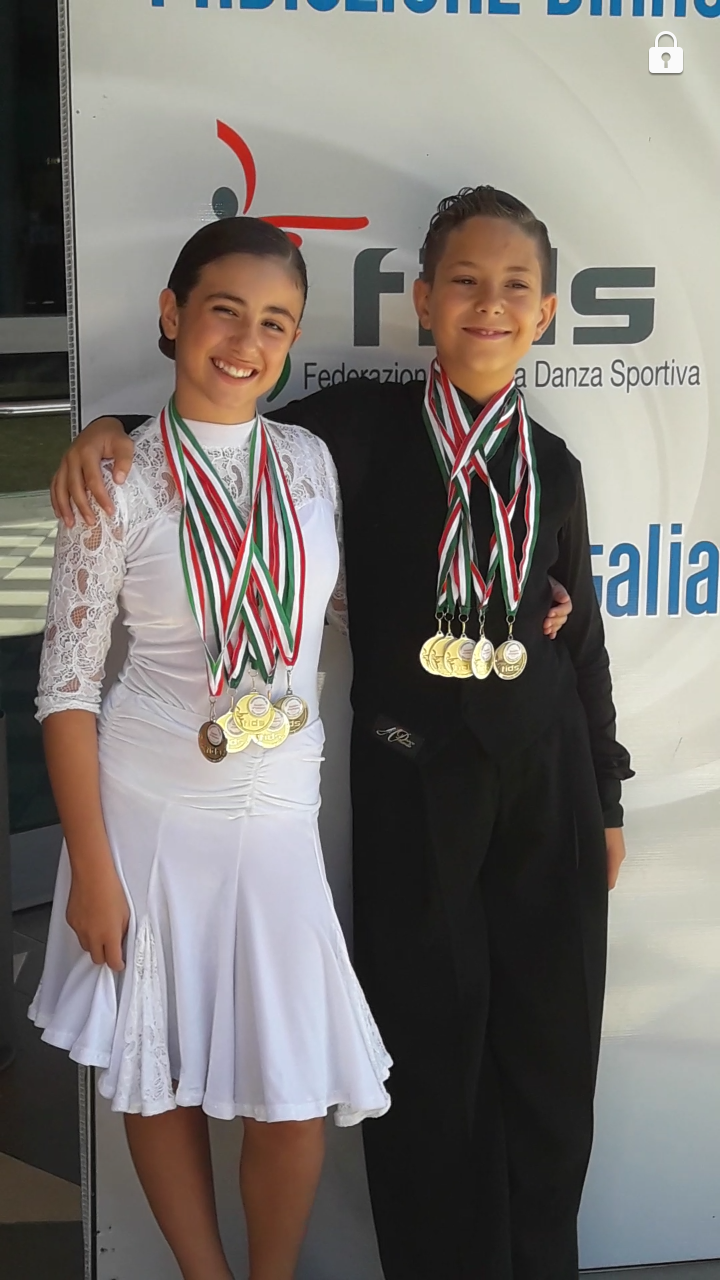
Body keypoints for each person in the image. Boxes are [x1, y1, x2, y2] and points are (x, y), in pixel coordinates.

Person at [50, 187, 632, 1280]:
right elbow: (214, 426)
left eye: (515, 287)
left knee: (552, 1053)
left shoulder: (552, 463)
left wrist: (603, 791)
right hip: (407, 780)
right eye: (465, 281)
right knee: (430, 1058)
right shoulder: (353, 430)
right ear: (422, 299)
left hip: (535, 776)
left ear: (547, 311)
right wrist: (105, 430)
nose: (490, 304)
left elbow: (585, 636)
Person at [31, 217, 393, 1280]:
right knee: (159, 1065)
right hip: (149, 815)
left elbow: (340, 606)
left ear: (292, 340)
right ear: (172, 313)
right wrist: (92, 870)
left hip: (277, 814)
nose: (246, 340)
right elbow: (64, 690)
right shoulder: (117, 477)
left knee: (292, 1094)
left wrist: (508, 607)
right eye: (224, 310)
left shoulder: (309, 460)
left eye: (274, 321)